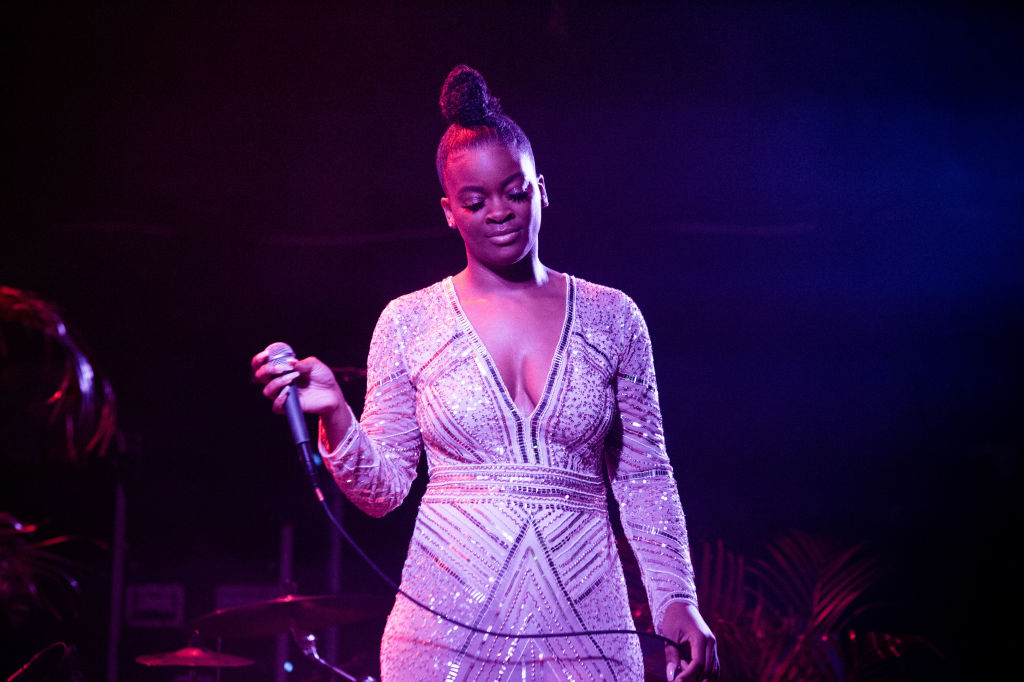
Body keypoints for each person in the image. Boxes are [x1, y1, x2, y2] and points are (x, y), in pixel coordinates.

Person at [252, 65, 718, 682]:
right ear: (450, 211)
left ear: (541, 189)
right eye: (475, 202)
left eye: (514, 192)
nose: (498, 212)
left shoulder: (615, 318)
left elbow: (645, 478)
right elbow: (382, 490)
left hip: (588, 634)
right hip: (442, 636)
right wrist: (337, 414)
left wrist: (676, 599)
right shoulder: (408, 321)